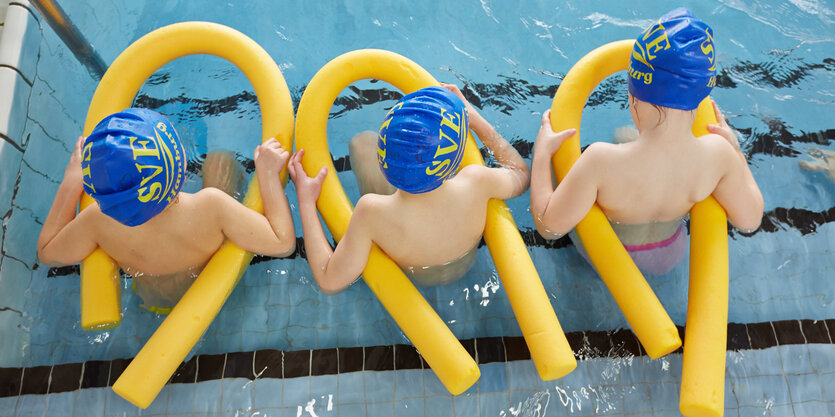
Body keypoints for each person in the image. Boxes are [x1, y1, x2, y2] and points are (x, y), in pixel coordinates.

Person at [530, 8, 764, 275]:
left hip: (605, 255)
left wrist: (541, 154)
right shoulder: (720, 156)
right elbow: (750, 221)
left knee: (622, 137)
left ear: (634, 99)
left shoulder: (601, 160)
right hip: (669, 252)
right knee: (627, 137)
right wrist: (735, 149)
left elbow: (549, 226)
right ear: (700, 99)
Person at [37, 108, 296, 311]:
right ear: (180, 167)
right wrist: (268, 174)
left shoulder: (97, 220)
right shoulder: (210, 207)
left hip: (154, 300)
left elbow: (48, 253)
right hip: (209, 291)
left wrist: (70, 185)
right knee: (221, 161)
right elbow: (283, 243)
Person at [288, 84, 530, 292]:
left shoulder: (372, 212)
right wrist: (474, 120)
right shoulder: (476, 182)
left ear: (385, 162)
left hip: (411, 276)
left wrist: (306, 201)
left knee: (361, 143)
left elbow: (329, 281)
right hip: (465, 265)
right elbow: (521, 174)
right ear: (452, 162)